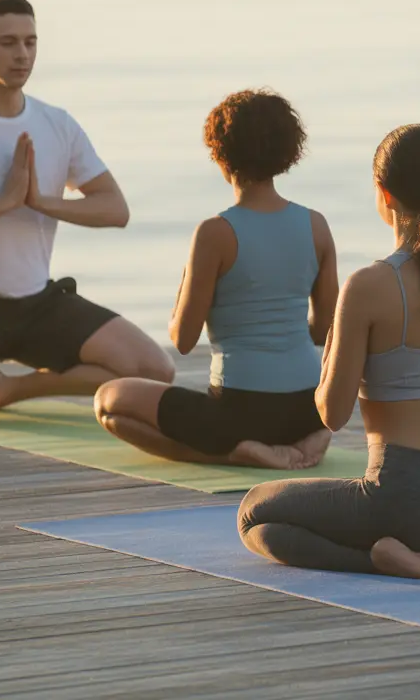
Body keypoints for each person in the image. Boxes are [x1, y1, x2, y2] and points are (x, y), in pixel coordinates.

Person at [238, 124, 420, 579]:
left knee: (254, 516)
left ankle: (387, 559)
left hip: (404, 500)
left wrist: (332, 351)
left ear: (384, 194)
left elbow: (332, 413)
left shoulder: (369, 286)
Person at [0, 0, 173, 421]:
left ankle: (9, 389)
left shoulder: (56, 124)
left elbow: (114, 208)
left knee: (155, 370)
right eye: (8, 43)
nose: (22, 54)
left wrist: (42, 202)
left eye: (30, 42)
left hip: (38, 302)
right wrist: (3, 202)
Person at [93, 90, 339, 469]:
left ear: (221, 156)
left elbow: (183, 339)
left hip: (239, 413)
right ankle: (304, 440)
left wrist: (191, 273)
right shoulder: (316, 225)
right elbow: (324, 331)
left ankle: (238, 454)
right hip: (308, 407)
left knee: (109, 403)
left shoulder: (215, 232)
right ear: (288, 153)